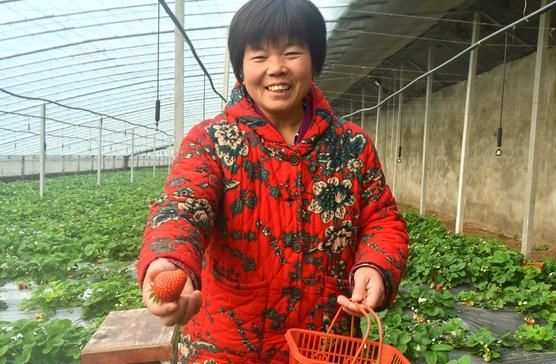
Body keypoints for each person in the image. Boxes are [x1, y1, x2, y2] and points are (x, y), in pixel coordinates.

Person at [137, 0, 409, 363]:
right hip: (227, 348)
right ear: (241, 67)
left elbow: (381, 219)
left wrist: (375, 265)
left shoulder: (351, 146)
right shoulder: (212, 141)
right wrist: (168, 262)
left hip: (324, 345)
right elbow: (183, 207)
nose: (276, 69)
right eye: (259, 56)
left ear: (314, 60)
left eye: (292, 53)